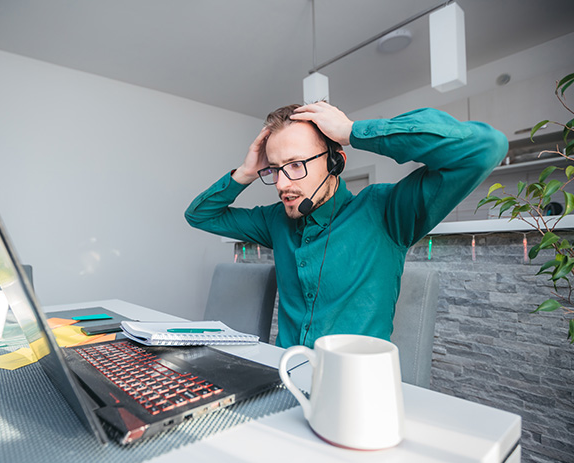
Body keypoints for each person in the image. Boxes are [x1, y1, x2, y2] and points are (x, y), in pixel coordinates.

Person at [185, 102, 508, 348]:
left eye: (296, 165)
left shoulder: (386, 211)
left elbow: (484, 147)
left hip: (355, 389)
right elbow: (200, 215)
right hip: (283, 375)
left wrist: (353, 131)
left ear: (335, 161)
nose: (283, 183)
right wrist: (246, 171)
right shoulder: (275, 220)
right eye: (275, 169)